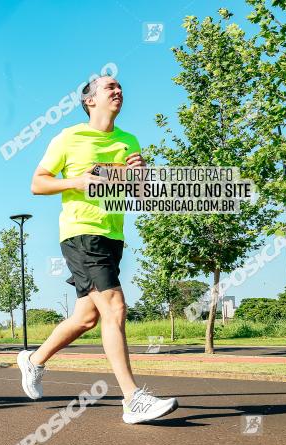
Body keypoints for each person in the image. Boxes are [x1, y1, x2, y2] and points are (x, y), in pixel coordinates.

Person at [25, 74, 177, 425]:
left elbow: (139, 194)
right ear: (90, 100)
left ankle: (34, 360)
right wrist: (77, 181)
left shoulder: (129, 140)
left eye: (120, 86)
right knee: (115, 307)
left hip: (113, 235)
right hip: (81, 233)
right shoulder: (69, 137)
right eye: (110, 87)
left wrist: (141, 177)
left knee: (87, 318)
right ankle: (132, 399)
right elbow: (38, 183)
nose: (118, 91)